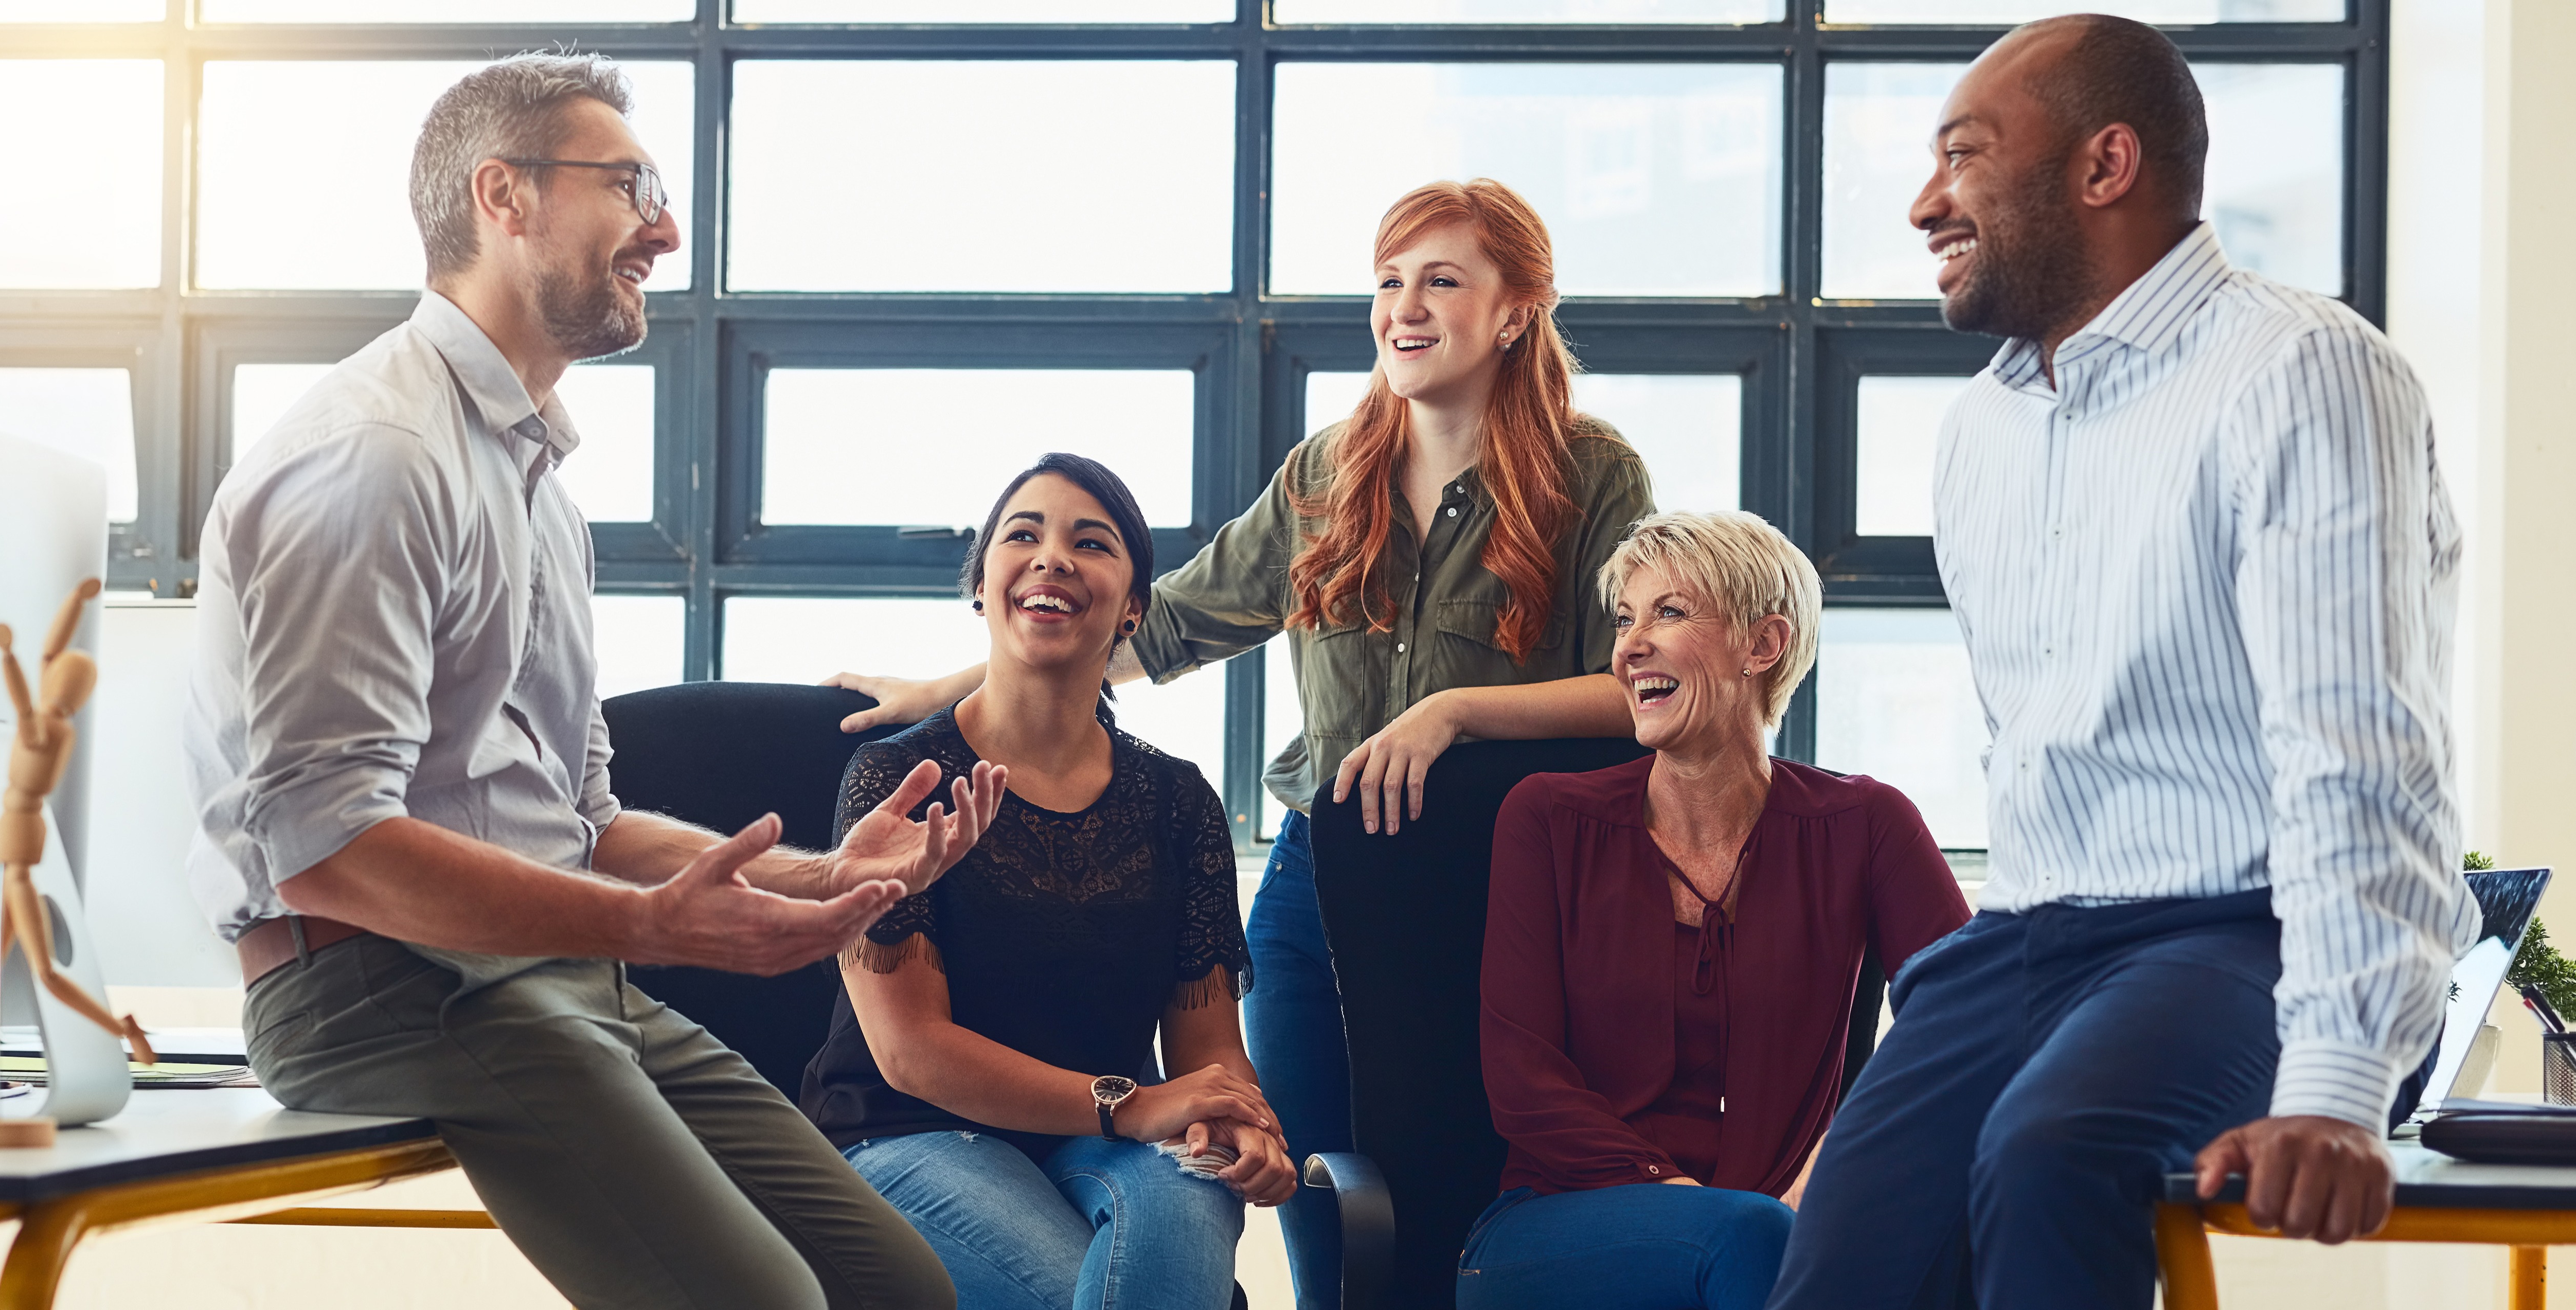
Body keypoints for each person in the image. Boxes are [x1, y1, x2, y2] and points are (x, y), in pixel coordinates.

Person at [183, 54, 1008, 1310]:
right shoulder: (377, 457)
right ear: (502, 196)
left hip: (554, 976)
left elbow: (586, 823)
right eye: (629, 186)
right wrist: (648, 927)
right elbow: (324, 846)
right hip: (376, 982)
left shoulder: (541, 498)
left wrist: (821, 874)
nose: (664, 230)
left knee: (900, 1286)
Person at [827, 180, 1651, 1307]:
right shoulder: (1328, 474)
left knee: (1459, 1206)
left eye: (1440, 280)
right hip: (1325, 881)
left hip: (1492, 889)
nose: (1404, 307)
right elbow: (1149, 622)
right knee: (1324, 1205)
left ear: (1517, 310)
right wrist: (948, 686)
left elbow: (1641, 690)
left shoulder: (1588, 474)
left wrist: (1454, 712)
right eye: (1389, 281)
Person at [1766, 17, 2472, 1310]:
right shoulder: (1981, 426)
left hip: (2236, 933)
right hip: (2029, 937)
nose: (1926, 203)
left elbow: (2358, 748)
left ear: (2104, 166)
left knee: (2053, 1155)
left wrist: (2336, 1088)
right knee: (1845, 1245)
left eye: (1963, 157)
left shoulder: (2302, 369)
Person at [802, 454, 1297, 1310]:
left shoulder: (1179, 800)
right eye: (1022, 535)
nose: (1052, 556)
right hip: (907, 1134)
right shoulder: (898, 775)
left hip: (1102, 1135)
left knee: (1194, 1190)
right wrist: (1129, 1102)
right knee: (1118, 1290)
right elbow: (908, 1050)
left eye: (1091, 542)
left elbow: (1206, 1047)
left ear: (1135, 606)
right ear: (983, 585)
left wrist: (1237, 1120)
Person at [1469, 510, 1971, 1310]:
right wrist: (1688, 1200)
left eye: (1668, 613)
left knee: (1973, 1208)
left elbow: (1964, 1018)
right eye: (1624, 618)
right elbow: (1522, 1080)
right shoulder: (1547, 818)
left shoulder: (1866, 823)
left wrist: (1829, 1172)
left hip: (1784, 1219)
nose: (1629, 646)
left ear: (1762, 645)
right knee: (1748, 1237)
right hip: (1557, 1226)